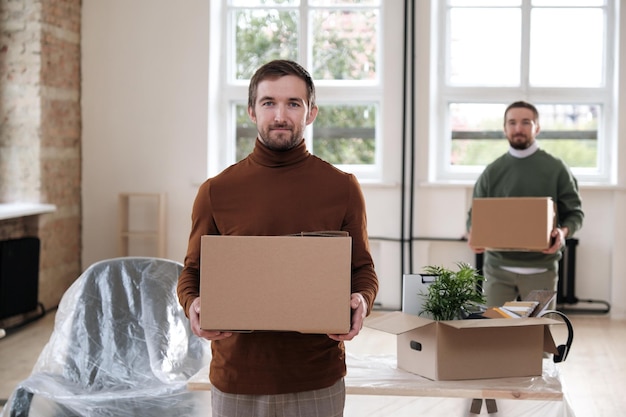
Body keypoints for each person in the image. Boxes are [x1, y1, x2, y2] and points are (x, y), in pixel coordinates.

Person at [177, 59, 378, 417]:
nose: (280, 115)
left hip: (316, 376)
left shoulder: (342, 188)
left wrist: (362, 300)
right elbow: (191, 272)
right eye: (269, 102)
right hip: (237, 376)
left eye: (293, 103)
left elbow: (363, 269)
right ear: (252, 111)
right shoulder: (216, 191)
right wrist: (192, 303)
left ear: (311, 112)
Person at [466, 101, 584, 309]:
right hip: (497, 269)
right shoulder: (492, 172)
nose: (518, 128)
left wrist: (562, 233)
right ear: (504, 128)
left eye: (526, 122)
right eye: (512, 123)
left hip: (541, 269)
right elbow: (474, 215)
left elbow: (575, 214)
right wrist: (472, 232)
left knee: (537, 336)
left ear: (537, 128)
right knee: (492, 333)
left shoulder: (556, 169)